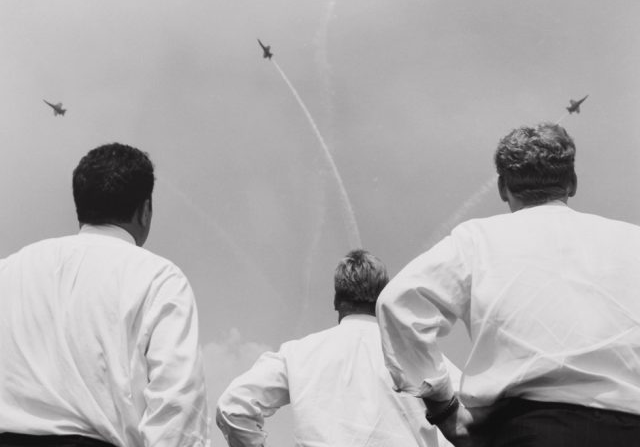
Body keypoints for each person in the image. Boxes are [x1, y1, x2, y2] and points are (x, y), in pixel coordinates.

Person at [376, 123, 640, 446]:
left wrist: (444, 409)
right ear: (572, 182)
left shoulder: (476, 241)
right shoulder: (632, 242)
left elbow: (399, 302)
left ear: (502, 188)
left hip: (530, 431)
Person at [0, 143, 210, 447]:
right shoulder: (159, 278)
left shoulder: (9, 270)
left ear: (79, 204)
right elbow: (177, 406)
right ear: (145, 210)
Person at [216, 249, 460, 447]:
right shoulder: (421, 357)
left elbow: (233, 407)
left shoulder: (298, 354)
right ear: (383, 298)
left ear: (336, 301)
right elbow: (476, 419)